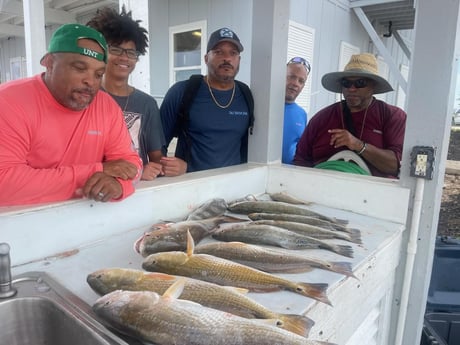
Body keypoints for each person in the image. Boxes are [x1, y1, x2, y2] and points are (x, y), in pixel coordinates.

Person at [0, 24, 142, 206]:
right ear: (49, 63)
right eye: (80, 68)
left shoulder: (106, 106)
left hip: (87, 219)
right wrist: (95, 173)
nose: (90, 82)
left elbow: (131, 165)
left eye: (98, 74)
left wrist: (118, 184)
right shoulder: (9, 101)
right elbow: (4, 184)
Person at [86, 7, 169, 180]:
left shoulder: (147, 103)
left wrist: (176, 167)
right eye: (115, 49)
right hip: (92, 189)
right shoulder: (84, 97)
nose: (124, 58)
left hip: (136, 190)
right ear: (101, 51)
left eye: (131, 52)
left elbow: (157, 158)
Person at [293, 53, 407, 178]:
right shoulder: (321, 118)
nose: (352, 88)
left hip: (373, 194)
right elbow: (300, 160)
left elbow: (395, 166)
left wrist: (359, 145)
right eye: (346, 83)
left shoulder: (392, 116)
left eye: (360, 82)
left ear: (373, 86)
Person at [160, 27, 254, 173]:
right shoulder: (182, 92)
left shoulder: (246, 95)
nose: (227, 58)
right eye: (218, 52)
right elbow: (158, 144)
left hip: (234, 187)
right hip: (192, 186)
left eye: (233, 53)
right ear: (206, 58)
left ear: (239, 60)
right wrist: (169, 168)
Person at [282, 57, 310, 164]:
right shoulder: (264, 105)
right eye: (292, 77)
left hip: (290, 176)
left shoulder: (302, 114)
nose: (295, 83)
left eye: (301, 81)